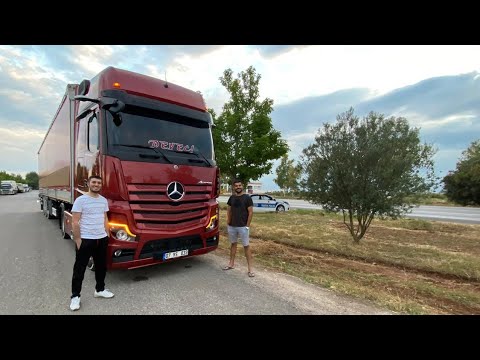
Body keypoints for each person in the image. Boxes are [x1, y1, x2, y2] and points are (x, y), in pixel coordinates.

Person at [69, 175, 114, 311]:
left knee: (101, 266)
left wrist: (107, 233)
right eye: (94, 182)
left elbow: (105, 217)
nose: (96, 184)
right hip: (86, 239)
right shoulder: (80, 200)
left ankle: (99, 290)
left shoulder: (103, 200)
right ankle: (75, 297)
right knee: (80, 269)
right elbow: (75, 221)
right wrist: (77, 239)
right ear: (88, 183)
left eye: (99, 183)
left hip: (101, 238)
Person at [223, 179, 255, 277]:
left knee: (246, 246)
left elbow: (250, 212)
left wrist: (247, 226)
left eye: (239, 185)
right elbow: (229, 210)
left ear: (242, 186)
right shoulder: (231, 198)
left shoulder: (247, 198)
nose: (238, 187)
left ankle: (250, 269)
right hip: (232, 226)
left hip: (243, 227)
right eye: (236, 186)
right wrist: (228, 221)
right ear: (233, 187)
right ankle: (231, 264)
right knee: (233, 244)